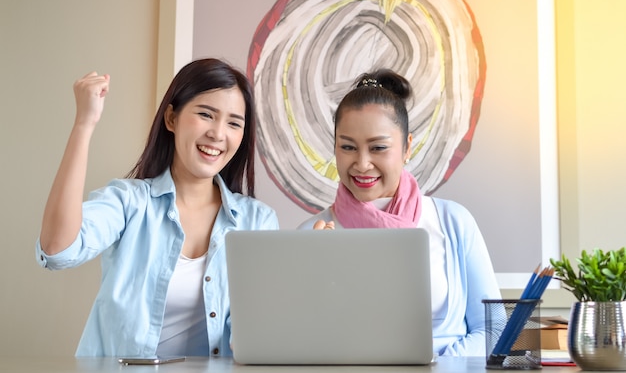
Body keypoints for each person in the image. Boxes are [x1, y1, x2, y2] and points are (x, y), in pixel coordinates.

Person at [36, 58, 279, 358]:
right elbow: (59, 251)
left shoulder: (258, 221)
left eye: (233, 123)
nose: (218, 133)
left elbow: (264, 330)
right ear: (171, 119)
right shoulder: (128, 202)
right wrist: (84, 124)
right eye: (206, 114)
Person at [298, 69, 501, 356]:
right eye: (348, 147)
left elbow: (494, 330)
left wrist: (435, 367)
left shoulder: (454, 222)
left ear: (407, 147)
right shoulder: (311, 235)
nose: (362, 164)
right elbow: (302, 343)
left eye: (378, 147)